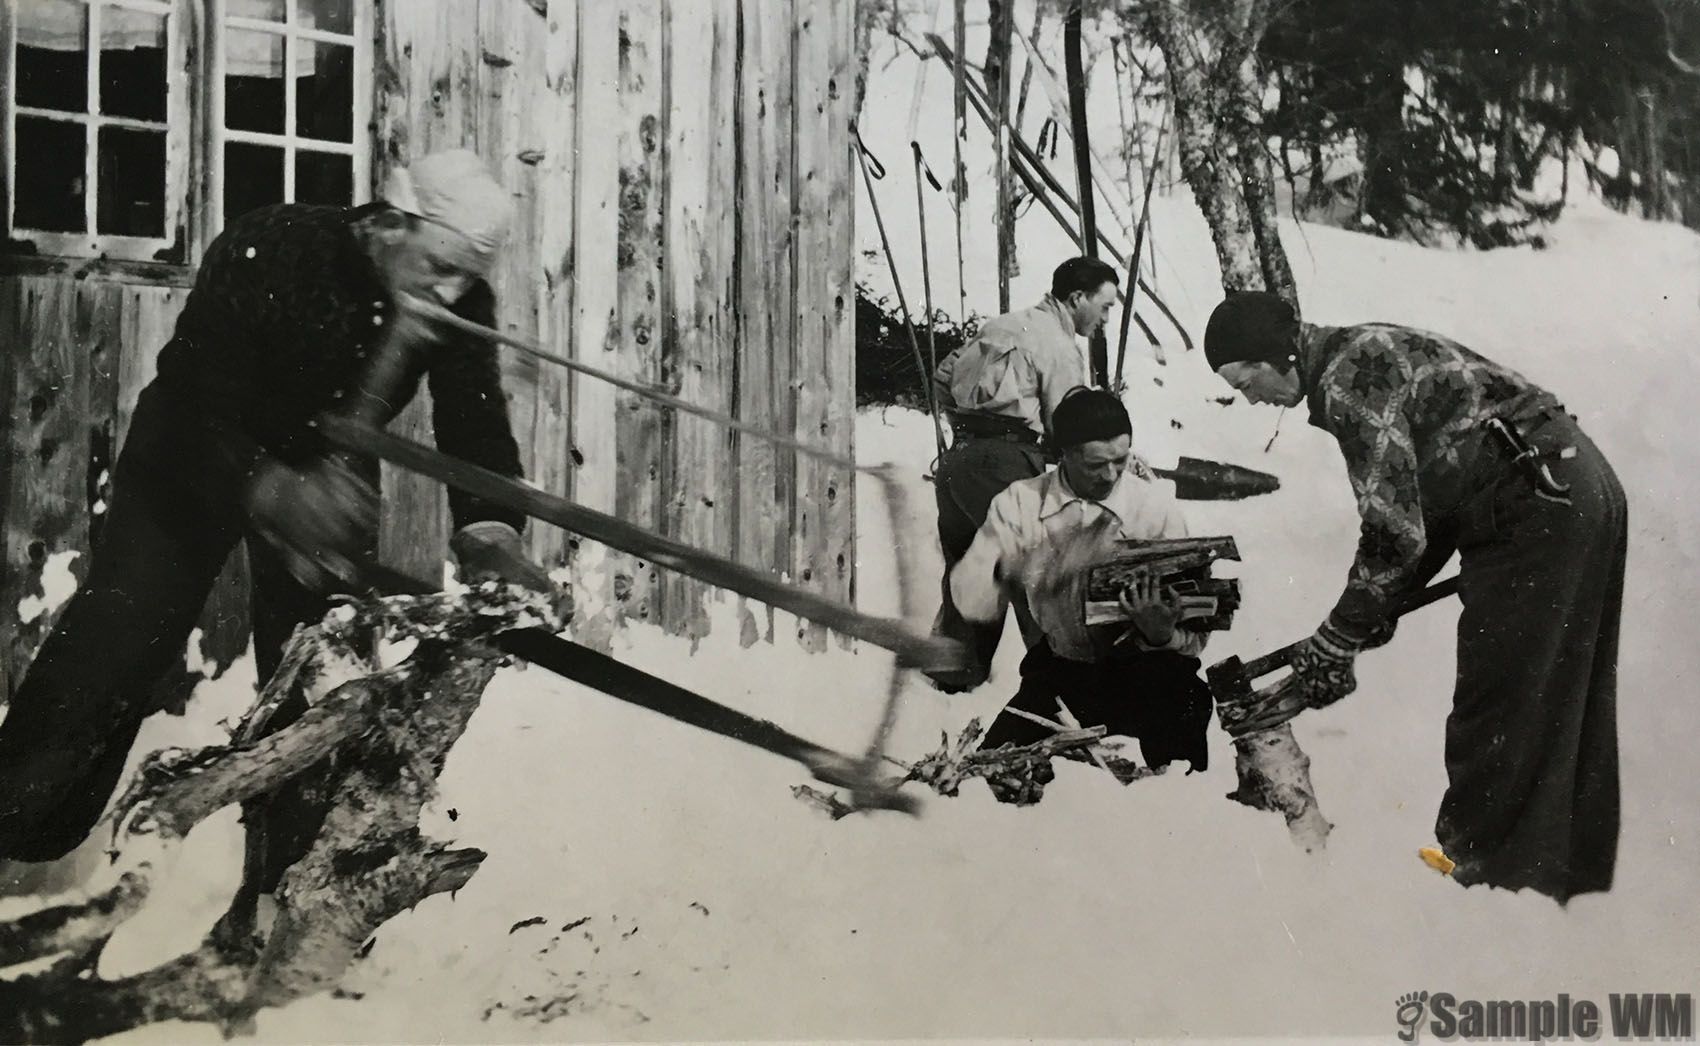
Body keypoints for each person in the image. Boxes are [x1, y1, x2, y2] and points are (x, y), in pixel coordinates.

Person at [0, 149, 558, 878]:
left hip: (328, 462)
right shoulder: (272, 245)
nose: (449, 290)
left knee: (318, 681)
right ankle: (19, 828)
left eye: (465, 276)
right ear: (391, 224)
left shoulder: (458, 300)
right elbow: (205, 396)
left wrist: (492, 530)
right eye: (438, 266)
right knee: (125, 637)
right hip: (195, 451)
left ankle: (286, 891)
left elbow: (474, 421)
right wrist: (271, 489)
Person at [1204, 290, 1627, 904]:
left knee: (1501, 697)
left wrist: (1343, 632)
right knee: (1554, 692)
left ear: (1279, 356)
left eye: (1248, 380)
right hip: (1568, 482)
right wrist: (1361, 621)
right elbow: (1423, 515)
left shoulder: (1349, 382)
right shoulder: (1355, 353)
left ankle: (1482, 888)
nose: (1252, 398)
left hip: (1540, 500)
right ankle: (1559, 883)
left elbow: (1395, 531)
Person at [949, 388, 1215, 776]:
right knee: (992, 778)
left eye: (1120, 461)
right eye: (1095, 464)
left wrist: (1161, 635)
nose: (1109, 475)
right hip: (1063, 670)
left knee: (1174, 780)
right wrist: (1016, 570)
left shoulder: (1152, 507)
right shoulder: (1021, 503)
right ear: (1064, 454)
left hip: (1150, 672)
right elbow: (969, 596)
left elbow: (1197, 631)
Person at [926, 256, 1121, 692]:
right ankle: (1064, 690)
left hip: (957, 462)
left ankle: (950, 677)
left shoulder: (1000, 325)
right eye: (1104, 306)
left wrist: (969, 425)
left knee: (970, 566)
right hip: (1008, 464)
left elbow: (944, 377)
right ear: (1077, 298)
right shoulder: (1059, 345)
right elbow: (1070, 426)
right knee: (1039, 572)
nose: (1106, 319)